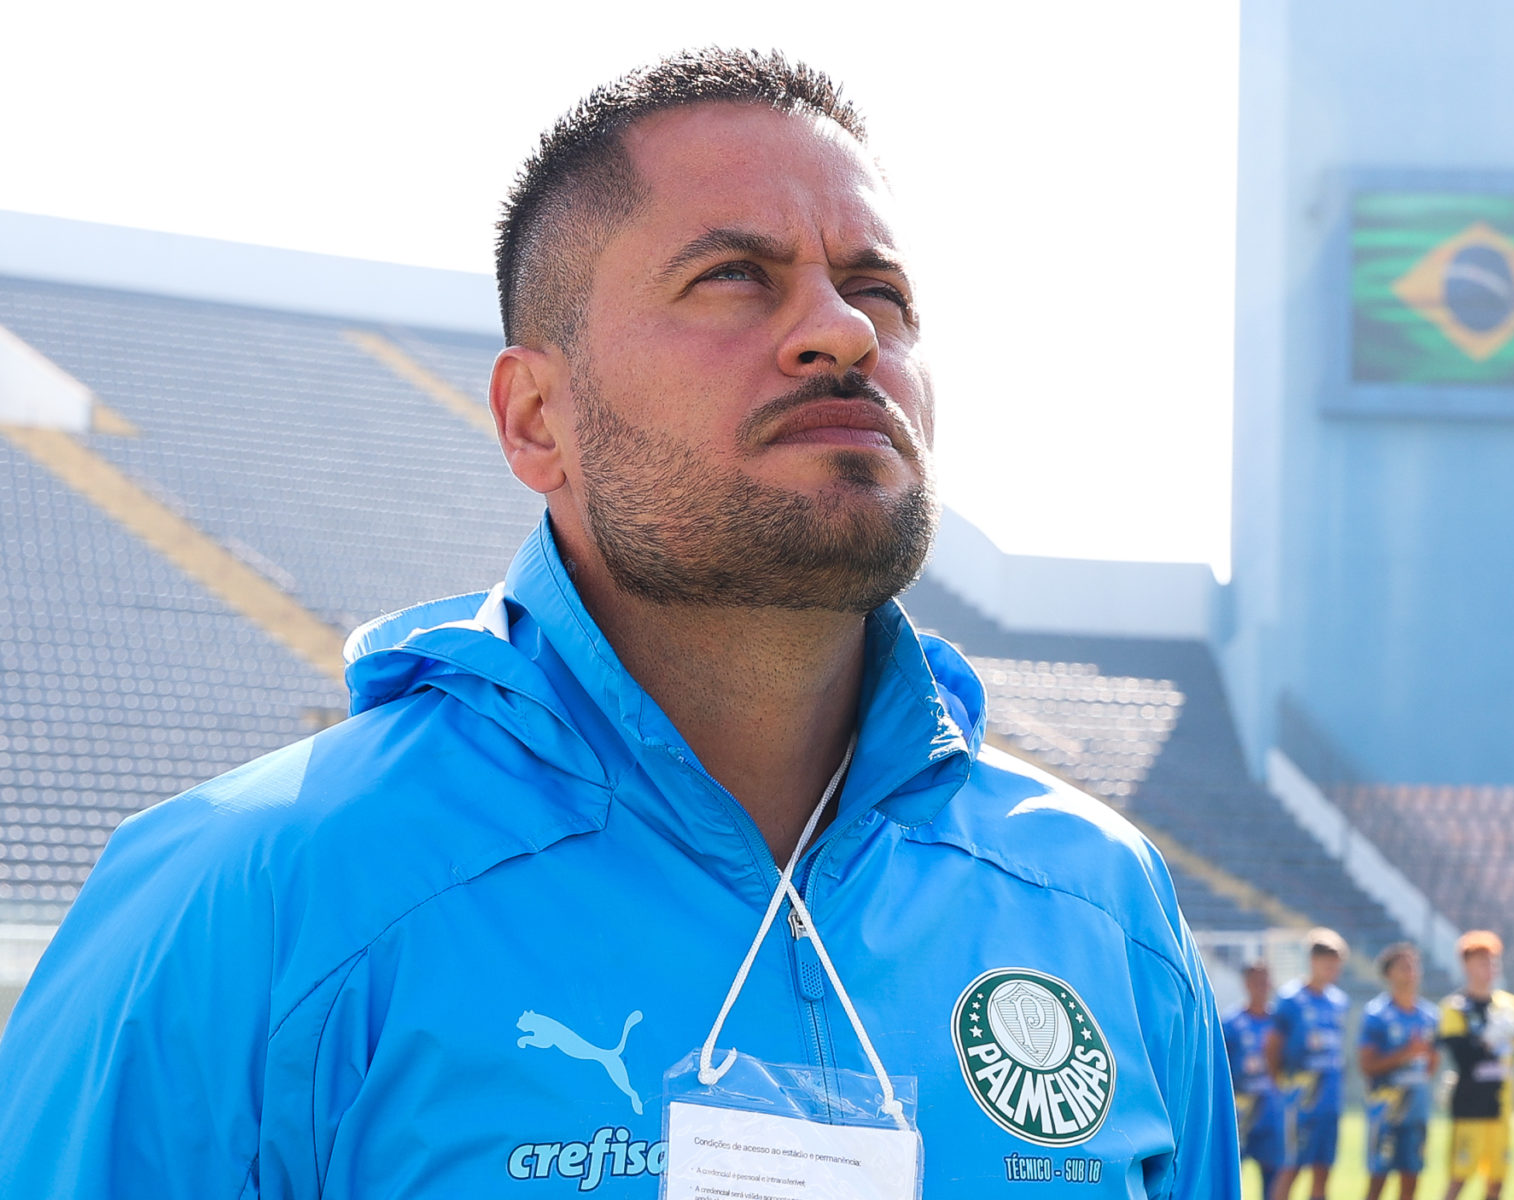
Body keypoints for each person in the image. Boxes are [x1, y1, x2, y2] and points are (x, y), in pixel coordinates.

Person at [0, 49, 1239, 1198]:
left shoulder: (1097, 900)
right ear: (536, 418)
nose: (845, 330)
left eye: (879, 290)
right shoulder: (251, 900)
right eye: (734, 276)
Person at [1438, 930, 1514, 1200]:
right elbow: (1463, 1056)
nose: (1489, 968)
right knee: (1459, 1177)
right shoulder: (1455, 1007)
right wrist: (1488, 1039)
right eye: (1482, 962)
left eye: (1493, 962)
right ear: (1466, 965)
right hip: (1470, 1105)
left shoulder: (1510, 1005)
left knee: (1497, 1179)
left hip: (1501, 1103)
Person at [1268, 927, 1352, 1200]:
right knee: (1291, 1166)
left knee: (1323, 1169)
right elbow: (1272, 1046)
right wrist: (1282, 1085)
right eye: (1326, 961)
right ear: (1313, 961)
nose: (1331, 968)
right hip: (1300, 1099)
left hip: (1330, 1099)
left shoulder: (1339, 1001)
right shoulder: (1290, 999)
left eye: (1336, 963)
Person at [1357, 943, 1441, 1200]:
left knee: (1411, 1176)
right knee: (1378, 1178)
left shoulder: (1430, 1015)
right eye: (1403, 966)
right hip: (1386, 1111)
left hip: (1417, 1110)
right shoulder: (1377, 1014)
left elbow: (1432, 1062)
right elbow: (1367, 1065)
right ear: (1389, 973)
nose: (1410, 971)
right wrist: (1406, 1054)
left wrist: (1425, 1060)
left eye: (1414, 965)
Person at [1226, 962, 1288, 1200]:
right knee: (1232, 1176)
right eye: (1257, 981)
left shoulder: (1280, 1024)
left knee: (1274, 1180)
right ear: (1246, 984)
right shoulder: (1231, 1023)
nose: (1262, 987)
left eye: (1266, 981)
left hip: (1272, 1113)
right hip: (1241, 1114)